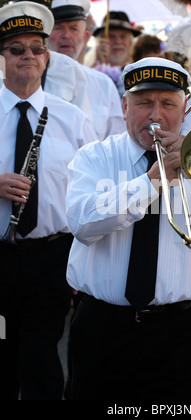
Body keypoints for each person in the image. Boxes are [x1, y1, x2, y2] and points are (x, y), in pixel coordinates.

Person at [65, 56, 191, 401]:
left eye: (167, 104)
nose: (155, 115)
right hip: (102, 327)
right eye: (143, 102)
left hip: (176, 330)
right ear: (124, 106)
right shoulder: (94, 157)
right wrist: (150, 182)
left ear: (184, 112)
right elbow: (82, 223)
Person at [0, 0, 98, 400]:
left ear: (47, 58)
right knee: (2, 357)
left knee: (41, 360)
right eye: (16, 48)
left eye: (37, 48)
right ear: (1, 56)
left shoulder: (73, 118)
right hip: (0, 259)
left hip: (52, 259)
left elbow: (94, 191)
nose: (28, 56)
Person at [48, 0, 125, 140]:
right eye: (58, 27)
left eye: (73, 28)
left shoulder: (104, 85)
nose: (66, 35)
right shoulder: (28, 82)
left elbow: (115, 143)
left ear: (84, 37)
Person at [91, 11, 142, 99]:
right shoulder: (88, 73)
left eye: (123, 37)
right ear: (100, 41)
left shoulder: (141, 75)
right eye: (111, 36)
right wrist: (99, 63)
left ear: (130, 42)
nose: (118, 41)